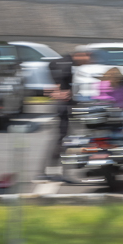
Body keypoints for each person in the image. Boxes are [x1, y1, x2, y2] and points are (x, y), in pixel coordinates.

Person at [42, 50, 88, 178]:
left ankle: (56, 171)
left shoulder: (66, 62)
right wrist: (60, 88)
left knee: (65, 139)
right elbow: (61, 73)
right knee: (63, 139)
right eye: (86, 57)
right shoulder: (67, 63)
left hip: (66, 104)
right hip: (64, 106)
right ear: (79, 55)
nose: (87, 61)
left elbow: (52, 65)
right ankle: (50, 171)